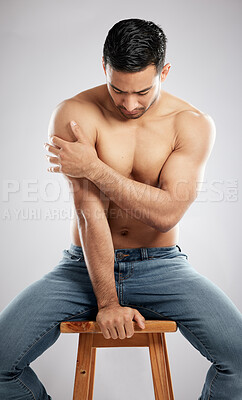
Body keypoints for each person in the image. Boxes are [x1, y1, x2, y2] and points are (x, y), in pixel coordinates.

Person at [0, 18, 241, 400]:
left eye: (143, 91)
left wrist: (94, 168)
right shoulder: (75, 113)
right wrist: (107, 301)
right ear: (104, 67)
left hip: (160, 265)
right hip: (84, 265)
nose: (129, 104)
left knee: (240, 362)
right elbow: (88, 209)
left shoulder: (191, 124)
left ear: (164, 71)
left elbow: (166, 214)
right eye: (118, 89)